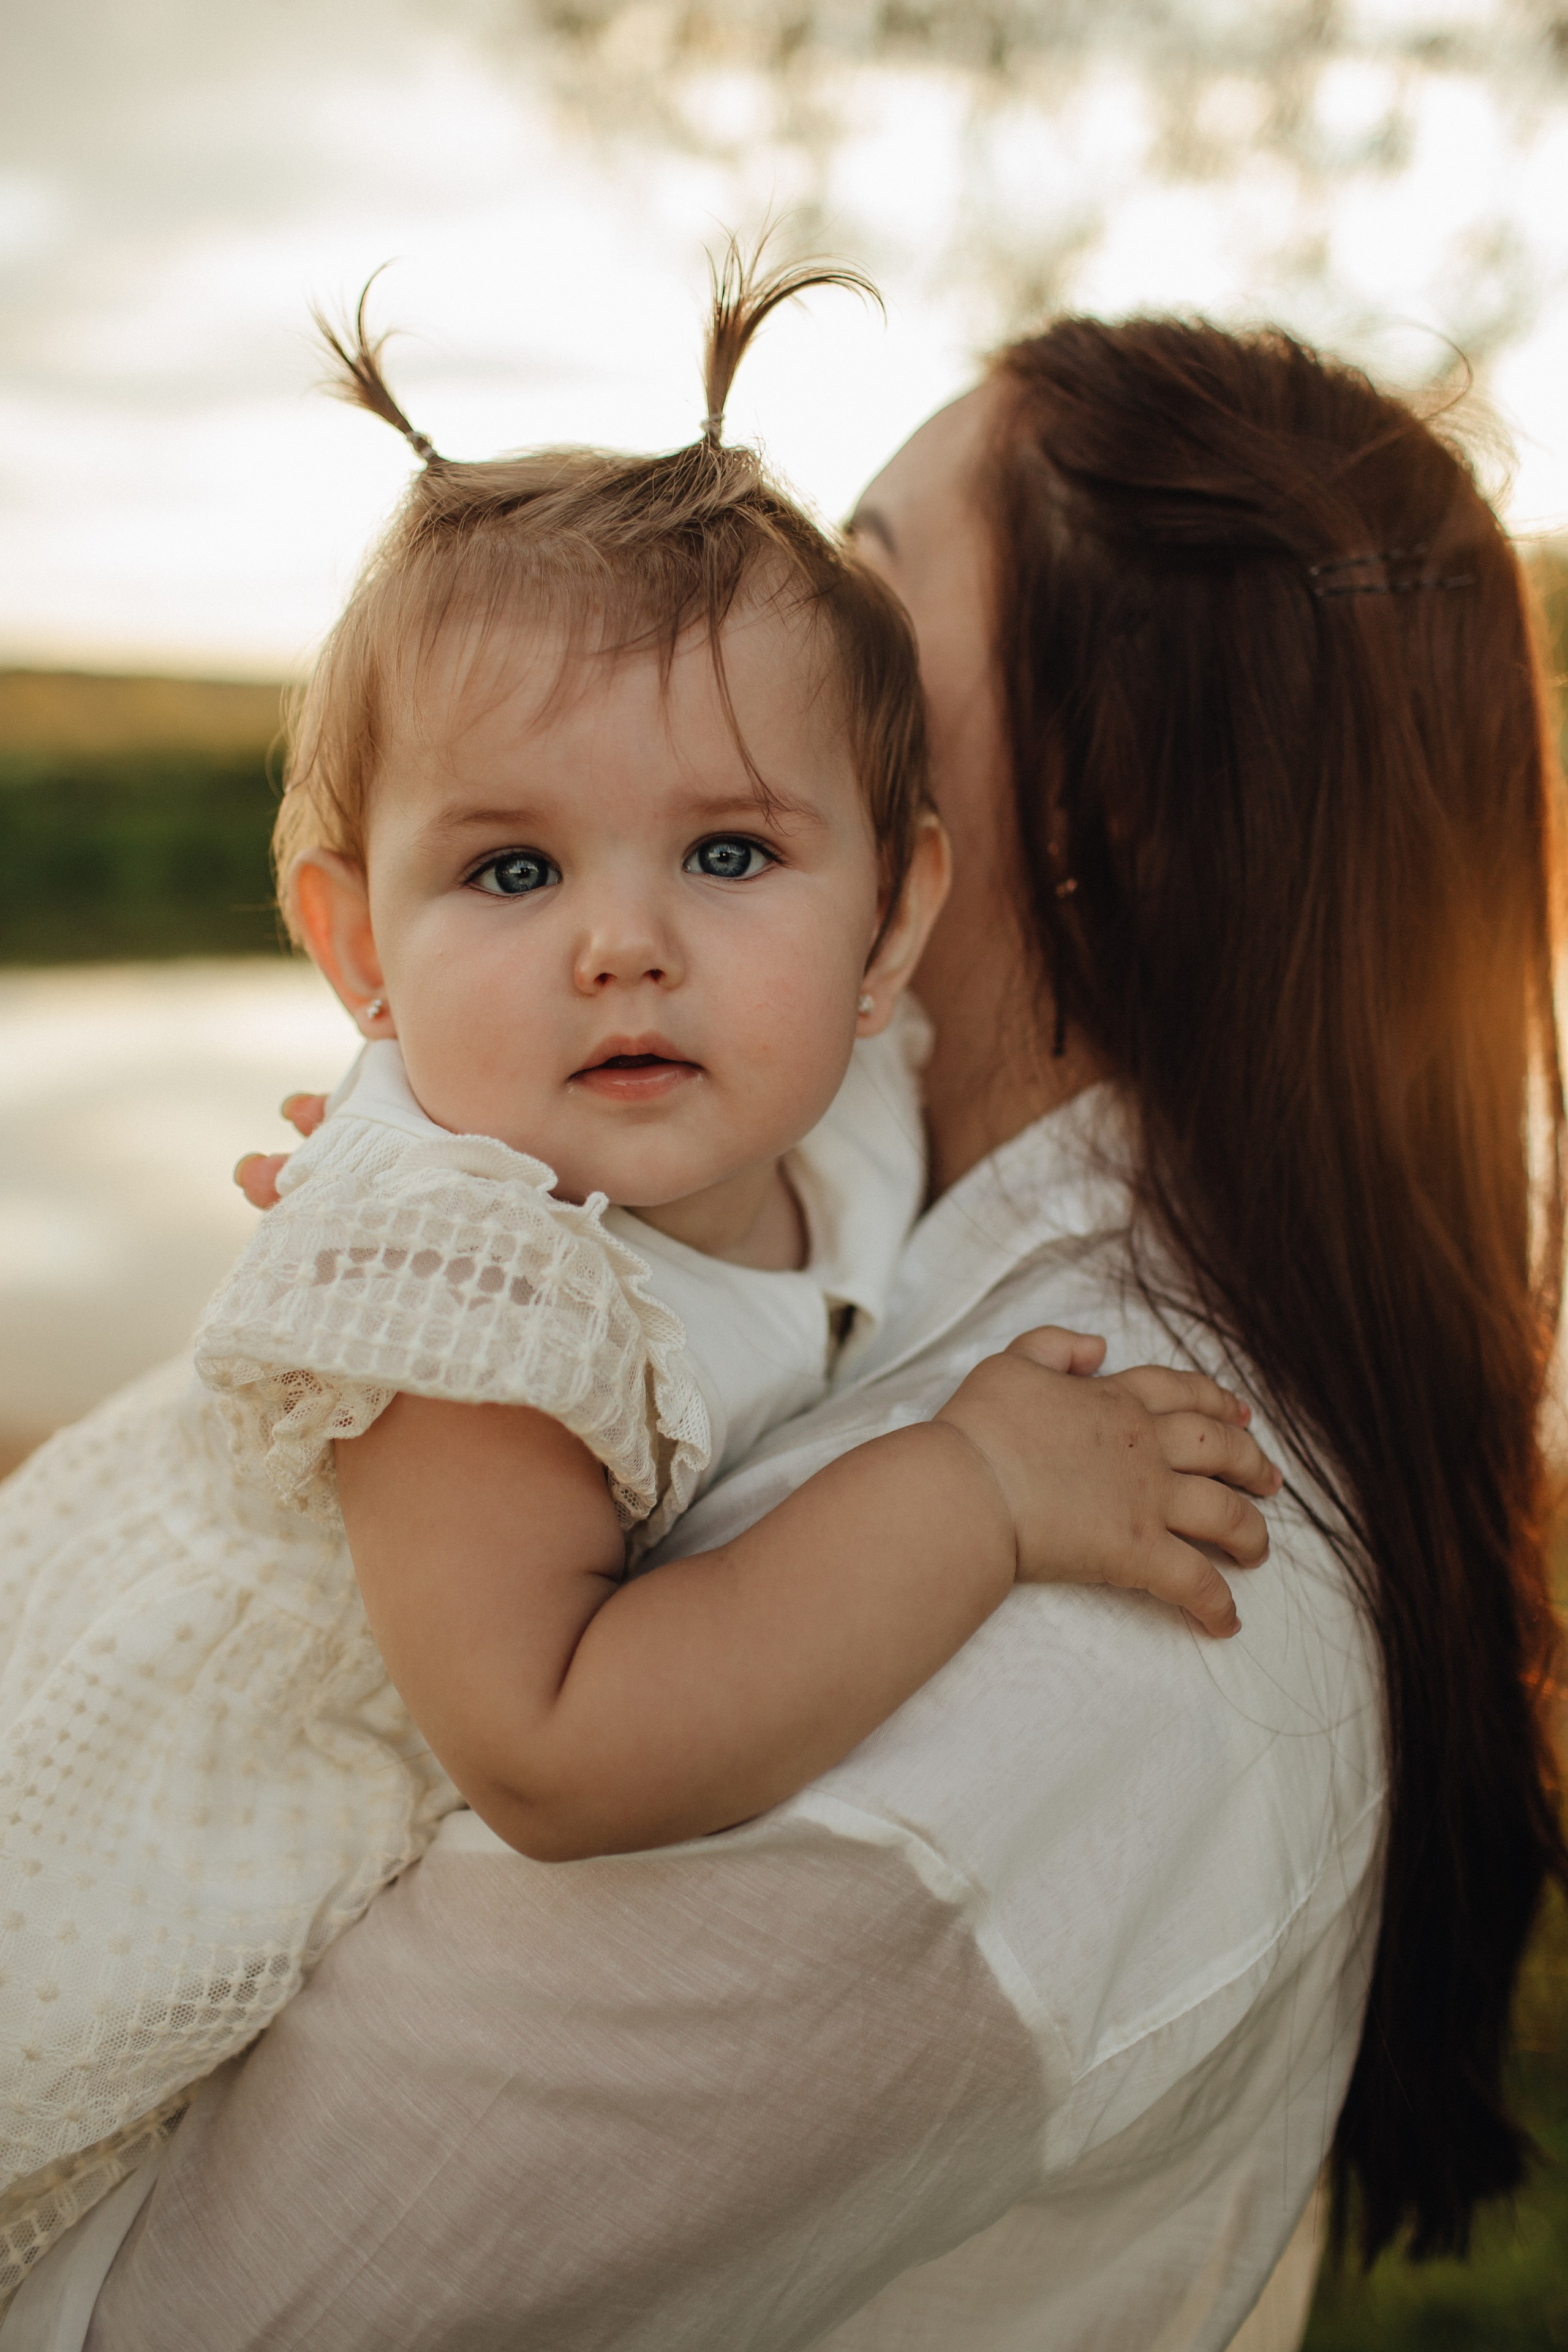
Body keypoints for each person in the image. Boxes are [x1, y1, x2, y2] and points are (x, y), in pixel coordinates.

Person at [11, 312, 1563, 2352]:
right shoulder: (799, 1172)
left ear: (1087, 800)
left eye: (874, 564)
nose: (760, 631)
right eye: (514, 861)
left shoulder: (1125, 1579)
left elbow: (220, 2313)